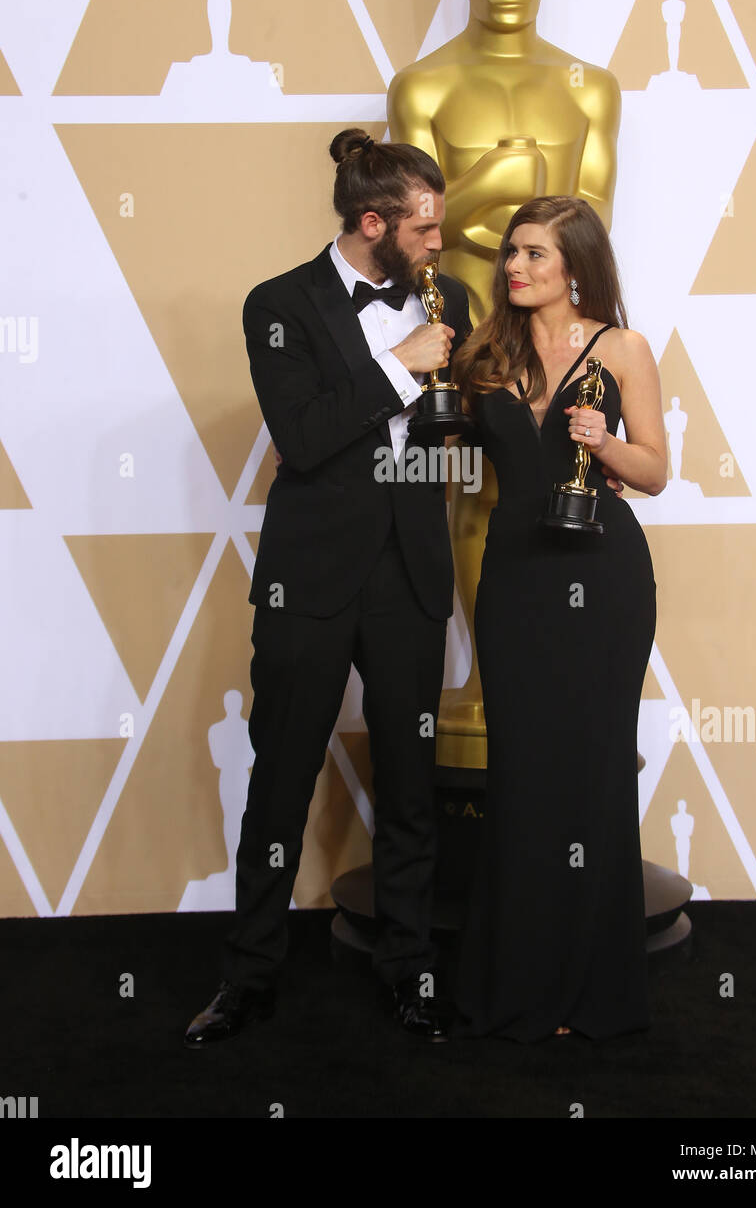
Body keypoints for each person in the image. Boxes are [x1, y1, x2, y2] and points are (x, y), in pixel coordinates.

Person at [184, 129, 471, 1046]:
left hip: (410, 573)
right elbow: (304, 439)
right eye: (425, 229)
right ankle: (250, 976)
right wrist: (402, 365)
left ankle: (411, 971)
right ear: (371, 221)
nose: (440, 243)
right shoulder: (279, 305)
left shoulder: (447, 298)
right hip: (310, 578)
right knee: (282, 774)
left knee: (411, 781)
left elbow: (445, 435)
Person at [450, 195, 667, 1043]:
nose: (514, 267)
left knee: (594, 767)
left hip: (602, 578)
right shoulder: (483, 353)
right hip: (515, 581)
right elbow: (439, 439)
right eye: (511, 253)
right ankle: (518, 984)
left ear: (574, 264)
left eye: (534, 254)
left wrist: (604, 442)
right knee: (525, 772)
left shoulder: (622, 349)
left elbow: (654, 471)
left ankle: (592, 992)